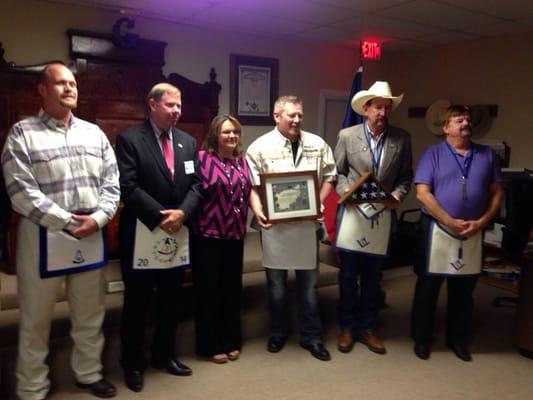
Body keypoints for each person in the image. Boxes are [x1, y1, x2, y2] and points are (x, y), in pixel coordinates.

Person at [1, 62, 120, 399]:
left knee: (90, 312)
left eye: (73, 83)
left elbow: (112, 184)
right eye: (61, 83)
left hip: (90, 232)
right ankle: (32, 387)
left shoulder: (93, 134)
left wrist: (97, 219)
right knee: (36, 318)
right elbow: (21, 192)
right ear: (42, 89)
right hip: (43, 234)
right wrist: (69, 223)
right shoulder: (23, 133)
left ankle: (88, 373)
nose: (70, 89)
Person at [115, 83, 203, 392]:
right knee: (137, 303)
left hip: (177, 233)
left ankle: (164, 356)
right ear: (152, 105)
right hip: (142, 232)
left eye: (179, 105)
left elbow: (197, 185)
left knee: (171, 300)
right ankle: (132, 363)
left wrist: (182, 214)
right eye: (170, 105)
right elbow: (128, 186)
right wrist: (161, 215)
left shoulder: (189, 142)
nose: (177, 111)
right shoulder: (129, 140)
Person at [246, 95, 337, 361]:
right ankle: (277, 332)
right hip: (275, 228)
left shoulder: (317, 144)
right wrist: (258, 210)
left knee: (308, 286)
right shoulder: (259, 147)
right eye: (291, 115)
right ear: (277, 116)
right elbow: (251, 186)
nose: (297, 120)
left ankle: (312, 336)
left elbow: (330, 176)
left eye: (300, 115)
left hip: (307, 226)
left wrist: (318, 202)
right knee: (276, 286)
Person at [410, 105, 503, 362]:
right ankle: (421, 339)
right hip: (437, 229)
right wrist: (448, 220)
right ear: (446, 127)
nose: (465, 123)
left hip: (473, 230)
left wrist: (483, 221)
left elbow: (497, 192)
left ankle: (458, 340)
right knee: (428, 288)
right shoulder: (433, 154)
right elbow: (422, 193)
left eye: (468, 119)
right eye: (459, 119)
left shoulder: (487, 155)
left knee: (463, 291)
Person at [334, 81, 413, 355]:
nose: (382, 112)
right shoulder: (347, 135)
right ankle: (346, 327)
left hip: (382, 216)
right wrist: (347, 192)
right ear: (365, 109)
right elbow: (338, 172)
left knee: (372, 276)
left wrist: (398, 196)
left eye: (386, 107)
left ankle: (367, 327)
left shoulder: (402, 139)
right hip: (353, 215)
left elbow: (405, 177)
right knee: (347, 275)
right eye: (377, 107)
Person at [191, 114, 253, 363]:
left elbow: (251, 193)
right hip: (207, 234)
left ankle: (231, 340)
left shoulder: (243, 162)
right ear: (215, 134)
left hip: (235, 235)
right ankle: (209, 345)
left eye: (235, 132)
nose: (232, 136)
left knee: (231, 290)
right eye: (226, 132)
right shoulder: (202, 159)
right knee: (208, 291)